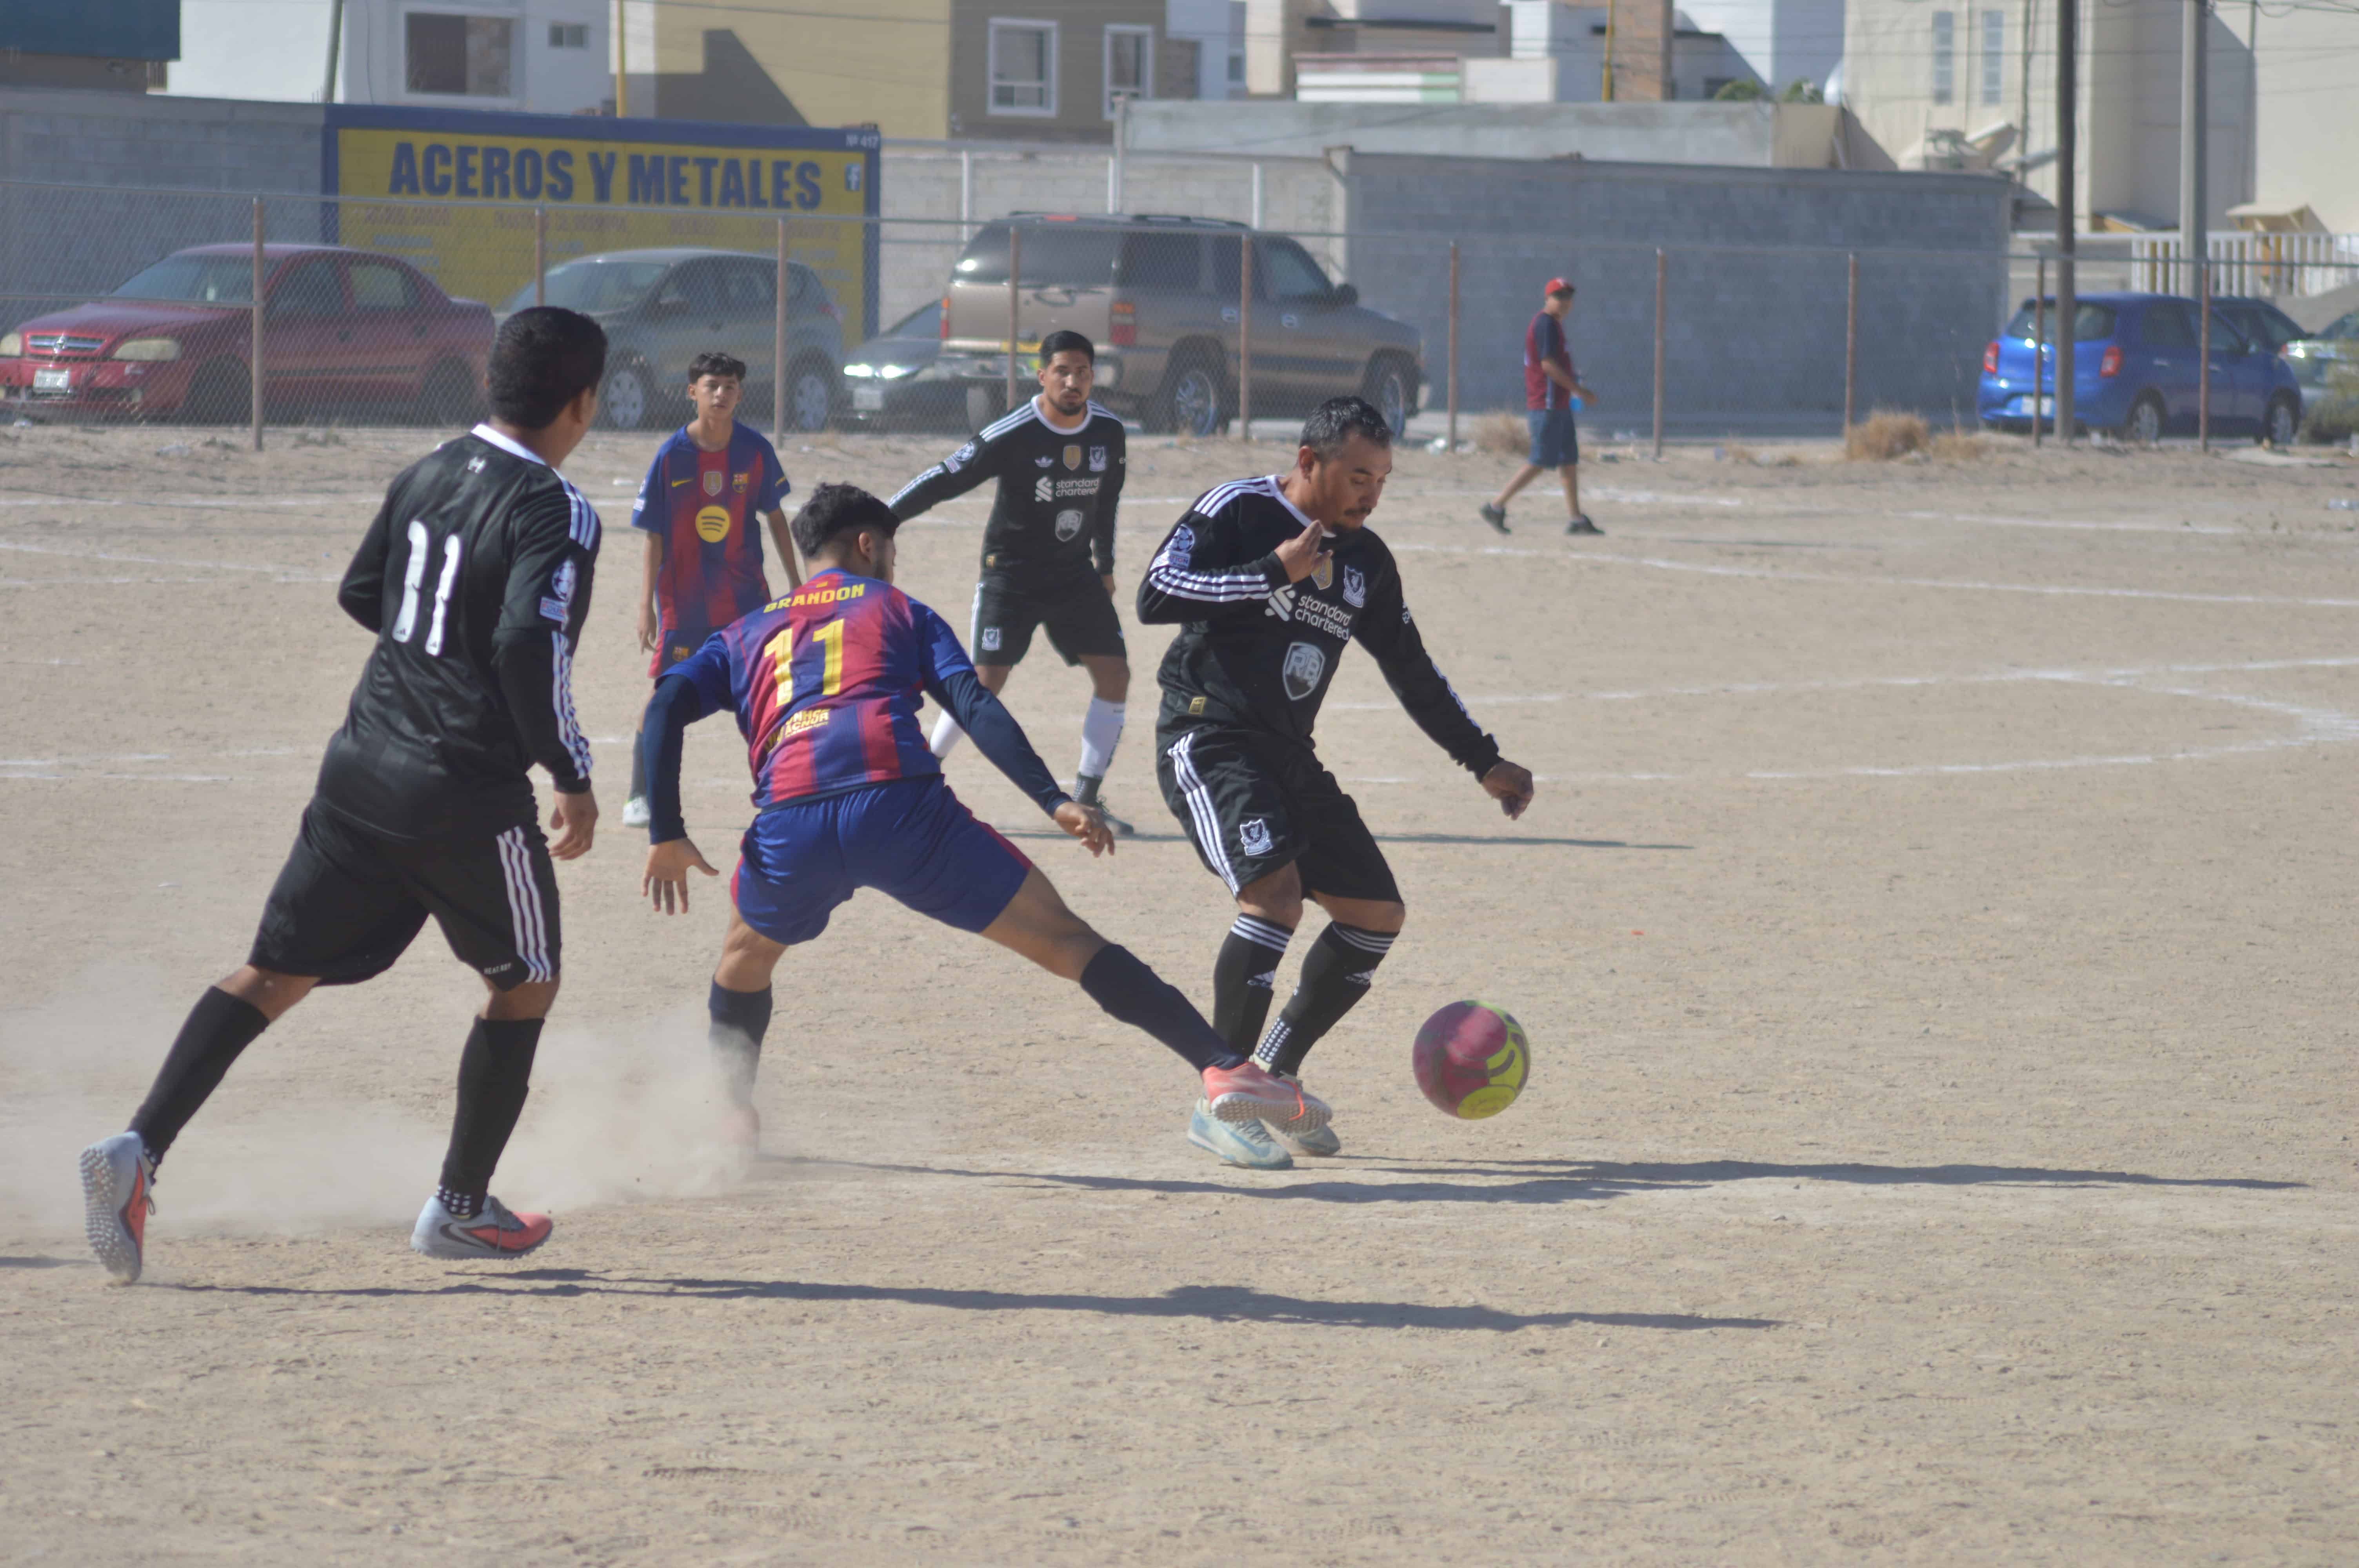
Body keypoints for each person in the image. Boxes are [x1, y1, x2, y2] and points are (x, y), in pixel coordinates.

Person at [77, 308, 610, 1282]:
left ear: (492, 384)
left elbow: (366, 593)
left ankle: (136, 1149)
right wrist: (570, 772)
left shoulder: (430, 468)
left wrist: (430, 649)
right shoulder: (557, 508)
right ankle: (457, 1208)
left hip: (362, 765)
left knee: (274, 971)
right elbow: (530, 647)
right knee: (527, 975)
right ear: (583, 402)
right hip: (463, 790)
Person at [636, 482, 1321, 1151]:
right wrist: (1053, 799)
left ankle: (730, 1117)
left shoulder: (745, 632)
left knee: (742, 964)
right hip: (899, 806)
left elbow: (664, 706)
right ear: (870, 546)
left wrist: (666, 830)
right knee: (1068, 942)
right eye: (891, 555)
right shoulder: (899, 609)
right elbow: (973, 703)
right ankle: (1221, 1065)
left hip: (792, 819)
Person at [1140, 396, 1538, 1170]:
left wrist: (1480, 758)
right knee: (1274, 896)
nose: (1369, 494)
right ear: (1309, 461)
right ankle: (1221, 1094)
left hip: (1288, 753)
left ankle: (1274, 1073)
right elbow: (1157, 592)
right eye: (1357, 475)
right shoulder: (1240, 509)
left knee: (1375, 913)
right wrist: (1270, 572)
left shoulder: (1366, 561)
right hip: (1207, 733)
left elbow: (1411, 669)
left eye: (1382, 480)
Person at [885, 330, 1135, 831]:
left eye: (1082, 373)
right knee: (984, 685)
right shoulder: (1015, 431)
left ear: (1092, 378)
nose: (1072, 382)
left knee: (1115, 675)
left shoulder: (1108, 432)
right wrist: (881, 517)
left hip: (1073, 575)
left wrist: (1105, 566)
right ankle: (916, 783)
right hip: (1011, 574)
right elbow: (945, 477)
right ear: (1041, 376)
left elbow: (1105, 504)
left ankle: (1087, 795)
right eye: (1061, 372)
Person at [622, 351, 801, 828]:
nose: (720, 394)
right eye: (711, 386)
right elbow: (654, 536)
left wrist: (798, 584)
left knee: (769, 689)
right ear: (692, 392)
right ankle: (640, 793)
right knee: (666, 696)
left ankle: (785, 786)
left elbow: (777, 519)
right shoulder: (671, 455)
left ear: (741, 394)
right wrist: (646, 608)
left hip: (746, 599)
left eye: (729, 387)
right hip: (684, 600)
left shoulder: (755, 450)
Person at [1481, 278, 1603, 537]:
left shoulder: (1555, 326)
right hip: (1547, 407)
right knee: (1540, 461)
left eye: (1568, 296)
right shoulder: (1545, 324)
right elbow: (1548, 365)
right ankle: (1496, 506)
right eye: (1559, 296)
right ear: (1548, 298)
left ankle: (1576, 519)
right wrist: (1579, 390)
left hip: (1560, 405)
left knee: (1569, 461)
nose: (1565, 301)